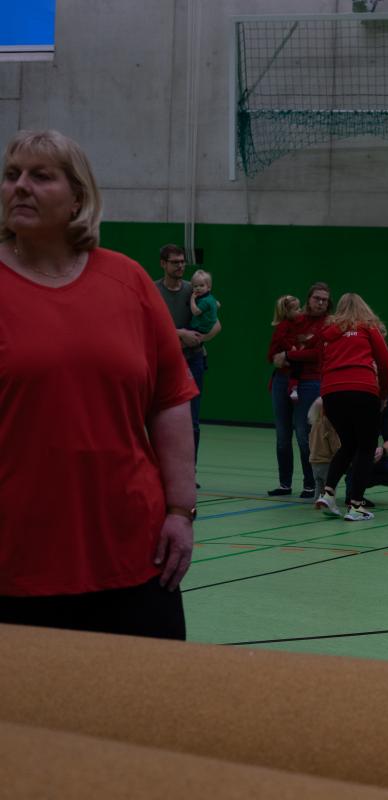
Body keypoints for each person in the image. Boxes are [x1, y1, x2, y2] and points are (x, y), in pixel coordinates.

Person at [0, 129, 195, 638]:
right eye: (11, 175)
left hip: (135, 553)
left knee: (148, 688)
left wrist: (180, 510)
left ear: (78, 198)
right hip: (16, 559)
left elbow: (170, 401)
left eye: (41, 176)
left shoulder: (128, 281)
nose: (20, 186)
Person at [313, 293, 388, 522]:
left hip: (332, 393)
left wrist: (326, 397)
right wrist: (383, 395)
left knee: (348, 444)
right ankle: (356, 506)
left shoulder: (328, 333)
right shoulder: (368, 327)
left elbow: (321, 365)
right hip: (362, 390)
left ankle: (328, 493)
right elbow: (385, 363)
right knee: (366, 448)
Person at [155, 243, 221, 462]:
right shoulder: (153, 291)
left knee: (192, 420)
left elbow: (216, 325)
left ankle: (189, 470)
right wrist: (181, 333)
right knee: (161, 417)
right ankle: (162, 467)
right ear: (163, 264)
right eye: (175, 262)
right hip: (164, 362)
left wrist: (198, 339)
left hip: (193, 360)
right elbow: (148, 326)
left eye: (183, 262)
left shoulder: (195, 289)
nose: (181, 266)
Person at [268, 282, 330, 498]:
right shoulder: (295, 319)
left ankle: (310, 484)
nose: (320, 302)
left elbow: (316, 354)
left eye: (324, 299)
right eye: (317, 298)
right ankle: (284, 483)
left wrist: (288, 355)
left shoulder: (328, 324)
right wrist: (277, 357)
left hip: (310, 382)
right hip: (282, 380)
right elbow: (274, 350)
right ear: (309, 299)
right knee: (282, 435)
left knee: (304, 435)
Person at [308, 395, 388, 508]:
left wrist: (382, 450)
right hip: (336, 457)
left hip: (343, 456)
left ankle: (349, 489)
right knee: (350, 457)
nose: (385, 404)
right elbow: (338, 447)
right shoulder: (347, 406)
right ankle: (345, 497)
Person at [187, 269, 219, 339]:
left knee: (183, 331)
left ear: (209, 287)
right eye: (195, 286)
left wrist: (192, 299)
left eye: (201, 285)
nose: (198, 288)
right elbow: (218, 304)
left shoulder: (205, 301)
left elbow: (196, 312)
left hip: (200, 328)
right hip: (207, 327)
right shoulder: (210, 297)